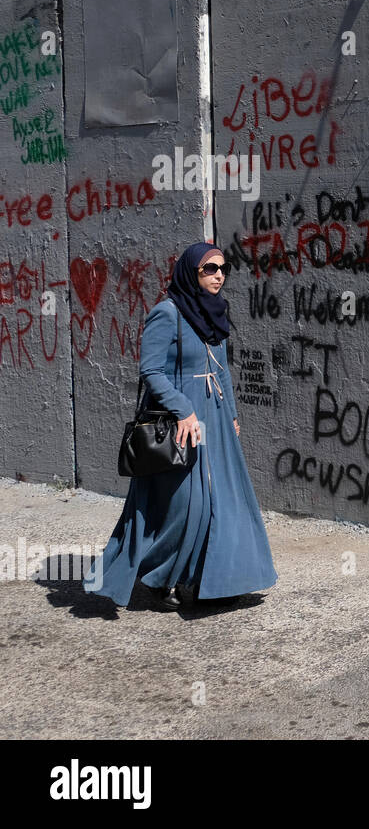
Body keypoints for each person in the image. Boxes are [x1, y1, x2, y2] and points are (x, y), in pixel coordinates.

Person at [85, 242, 277, 610]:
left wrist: (232, 413)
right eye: (210, 269)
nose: (219, 275)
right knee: (188, 504)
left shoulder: (215, 313)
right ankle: (158, 575)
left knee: (227, 500)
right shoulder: (166, 313)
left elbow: (222, 369)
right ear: (191, 272)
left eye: (223, 269)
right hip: (182, 422)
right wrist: (183, 409)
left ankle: (219, 580)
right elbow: (151, 371)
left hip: (216, 417)